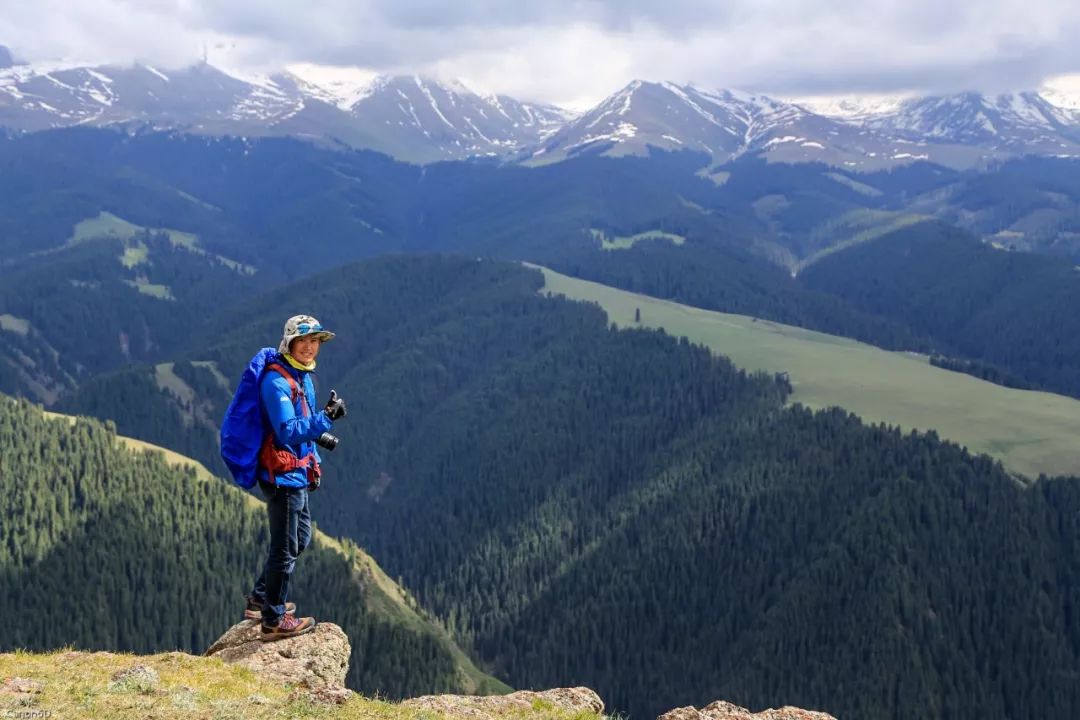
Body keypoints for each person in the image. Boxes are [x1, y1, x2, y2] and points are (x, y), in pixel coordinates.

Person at [243, 314, 346, 641]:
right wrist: (325, 419)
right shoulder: (276, 382)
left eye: (315, 341)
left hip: (296, 472)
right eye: (304, 341)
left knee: (299, 538)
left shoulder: (302, 378)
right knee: (285, 548)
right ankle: (272, 619)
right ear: (289, 343)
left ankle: (261, 597)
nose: (310, 346)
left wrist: (315, 456)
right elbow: (287, 431)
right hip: (282, 478)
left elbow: (302, 426)